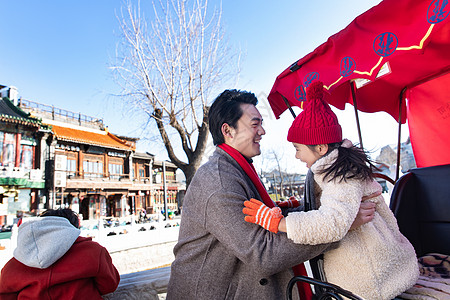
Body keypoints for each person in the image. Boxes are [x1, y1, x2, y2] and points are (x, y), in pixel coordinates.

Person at [167, 89, 376, 299]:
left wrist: (333, 210)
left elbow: (269, 218)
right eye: (255, 124)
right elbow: (263, 253)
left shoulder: (237, 169)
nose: (263, 131)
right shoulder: (219, 180)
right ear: (228, 131)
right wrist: (338, 226)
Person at [243, 81, 419, 300]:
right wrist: (296, 207)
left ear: (320, 148)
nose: (297, 156)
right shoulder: (332, 169)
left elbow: (332, 222)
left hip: (371, 277)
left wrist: (278, 223)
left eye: (298, 149)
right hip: (364, 267)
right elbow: (332, 204)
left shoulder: (342, 175)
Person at [0, 208, 120, 299]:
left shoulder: (15, 264)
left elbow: (5, 295)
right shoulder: (93, 251)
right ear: (72, 228)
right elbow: (109, 285)